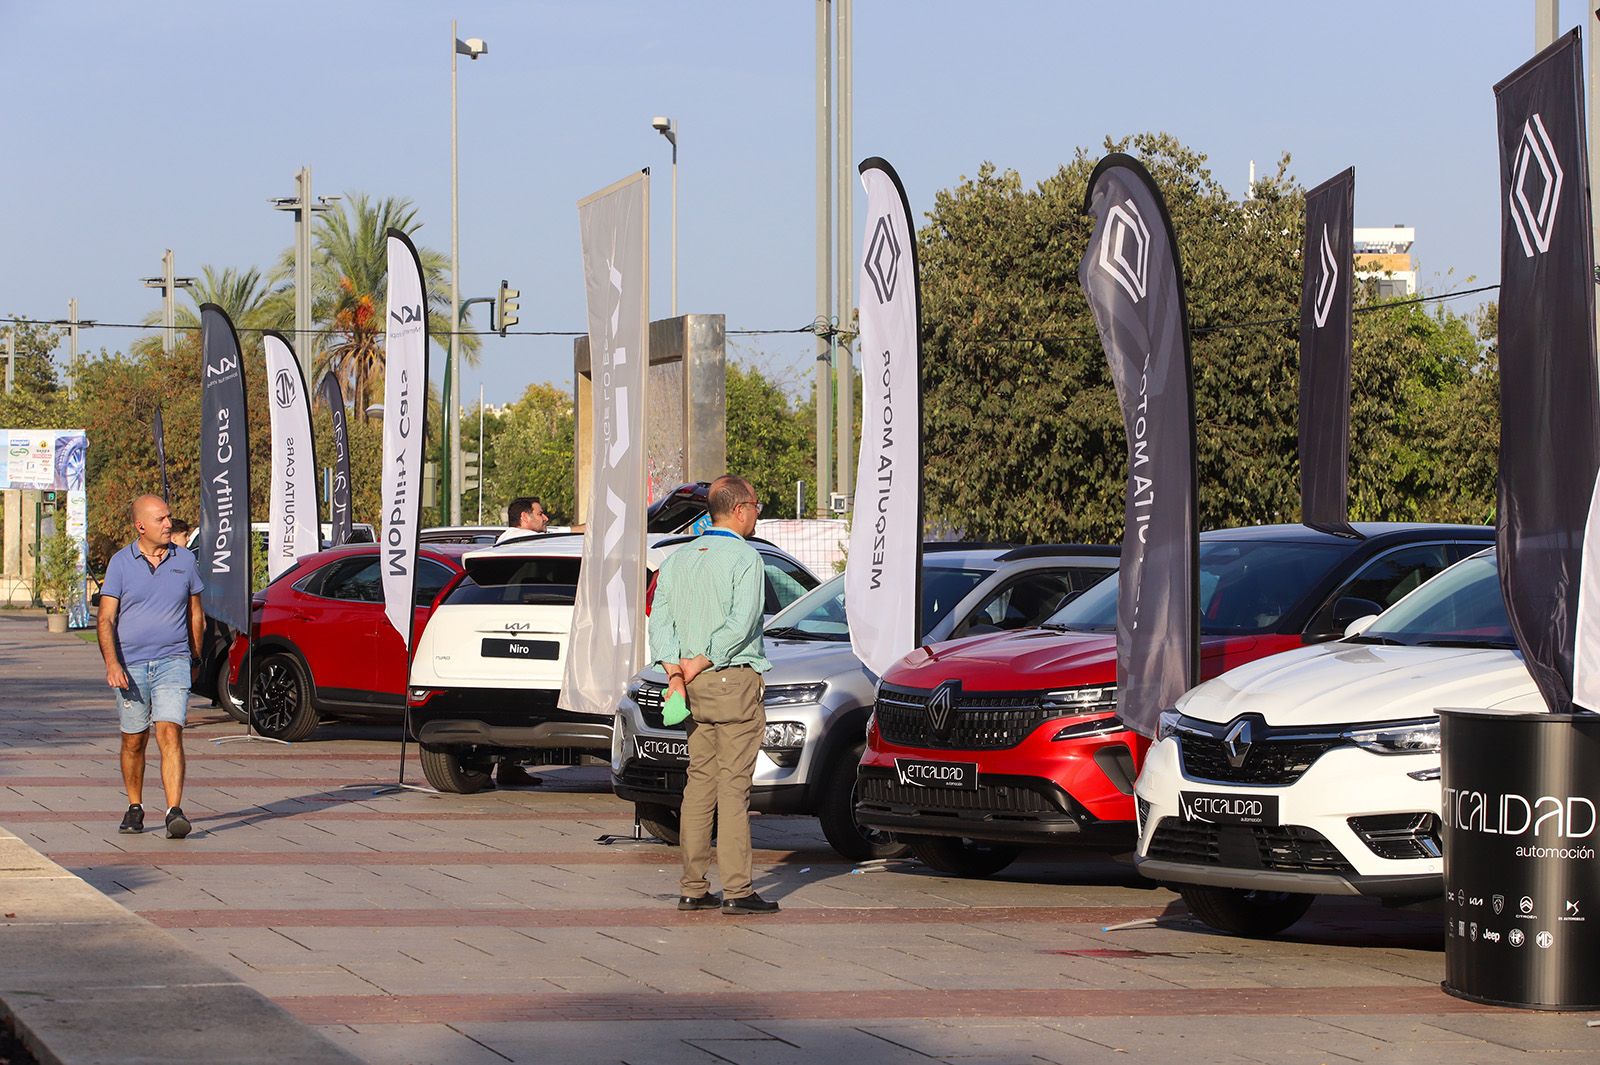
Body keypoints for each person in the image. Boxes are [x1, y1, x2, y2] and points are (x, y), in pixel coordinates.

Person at [649, 475, 778, 915]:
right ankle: (739, 890)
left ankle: (692, 885)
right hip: (730, 678)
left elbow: (659, 622)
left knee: (698, 784)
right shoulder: (745, 558)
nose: (758, 513)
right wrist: (701, 660)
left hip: (689, 687)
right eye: (757, 506)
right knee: (733, 787)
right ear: (740, 509)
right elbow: (742, 623)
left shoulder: (679, 559)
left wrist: (675, 671)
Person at [97, 495, 205, 839]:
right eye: (160, 519)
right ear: (140, 526)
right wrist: (113, 663)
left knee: (170, 731)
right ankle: (135, 806)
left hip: (173, 660)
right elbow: (106, 618)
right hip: (131, 665)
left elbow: (196, 614)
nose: (168, 523)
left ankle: (175, 811)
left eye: (169, 517)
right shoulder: (120, 564)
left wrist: (196, 658)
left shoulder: (185, 560)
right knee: (134, 739)